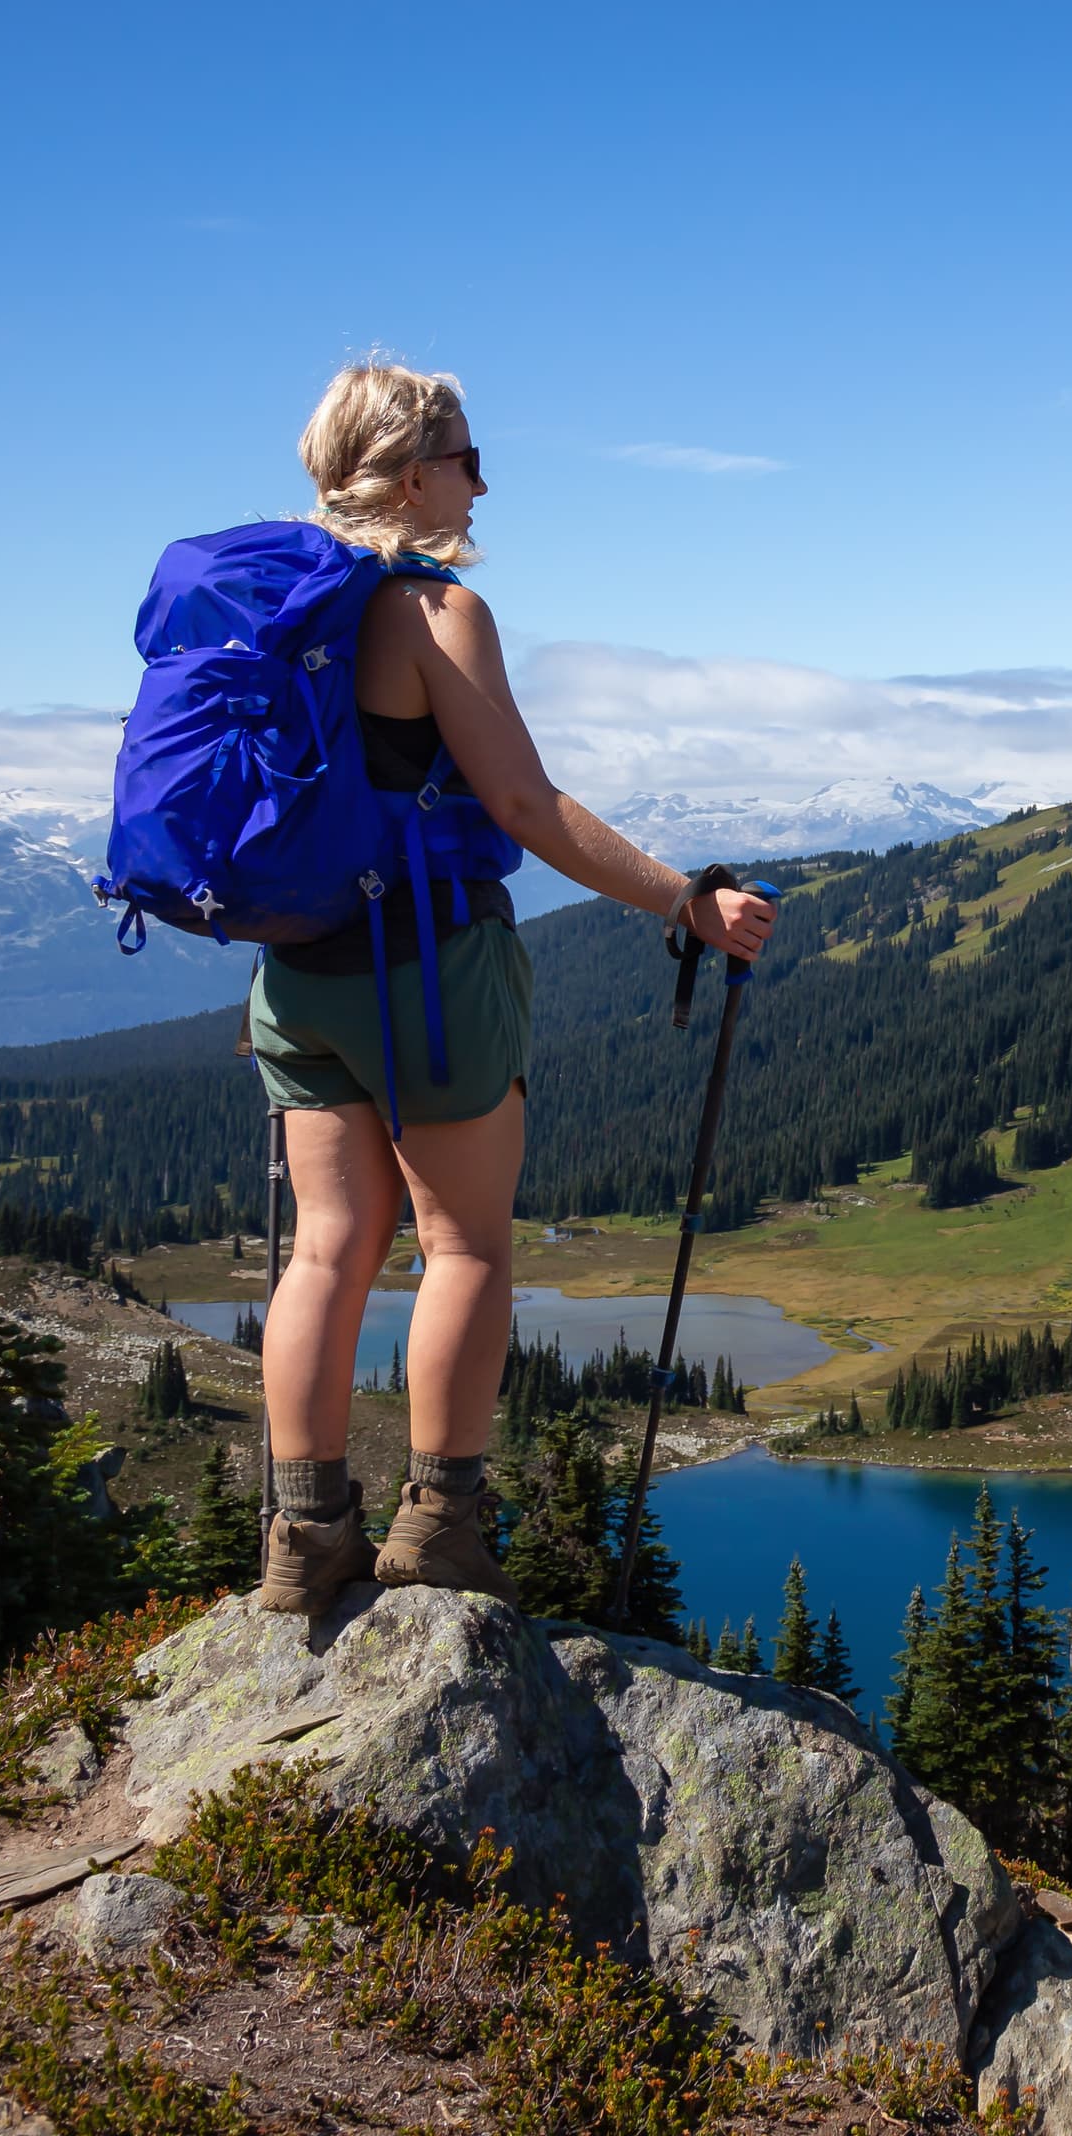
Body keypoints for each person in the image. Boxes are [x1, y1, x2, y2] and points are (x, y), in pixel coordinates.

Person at [250, 360, 772, 1615]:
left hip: (299, 972)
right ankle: (439, 1524)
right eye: (469, 455)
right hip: (428, 968)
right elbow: (524, 805)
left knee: (324, 1250)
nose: (484, 480)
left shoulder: (273, 607)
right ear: (413, 469)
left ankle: (305, 1534)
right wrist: (683, 899)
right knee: (466, 1244)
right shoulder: (434, 615)